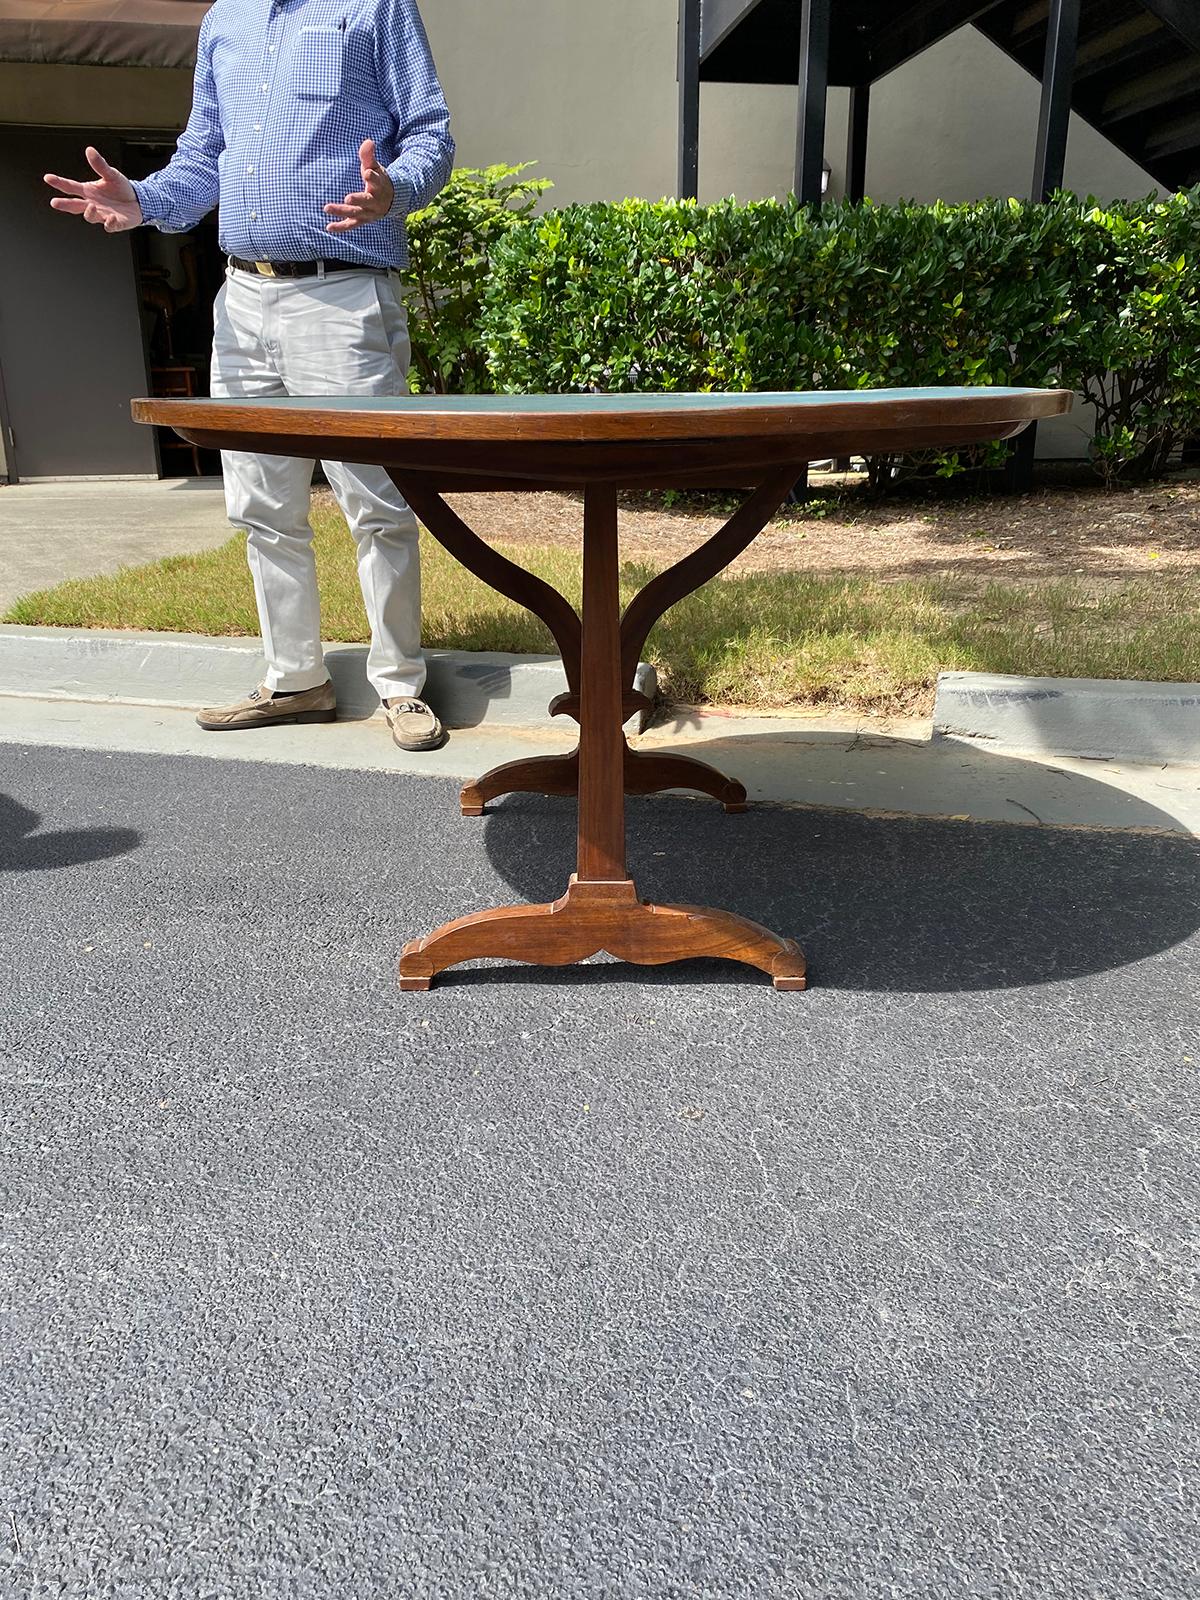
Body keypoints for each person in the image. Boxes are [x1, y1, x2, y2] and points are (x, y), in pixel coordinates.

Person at [45, 0, 454, 751]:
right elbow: (204, 155)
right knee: (260, 504)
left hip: (342, 292)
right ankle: (296, 678)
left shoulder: (373, 5)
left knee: (376, 500)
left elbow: (430, 131)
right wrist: (142, 201)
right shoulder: (224, 20)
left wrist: (393, 190)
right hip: (243, 302)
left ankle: (400, 685)